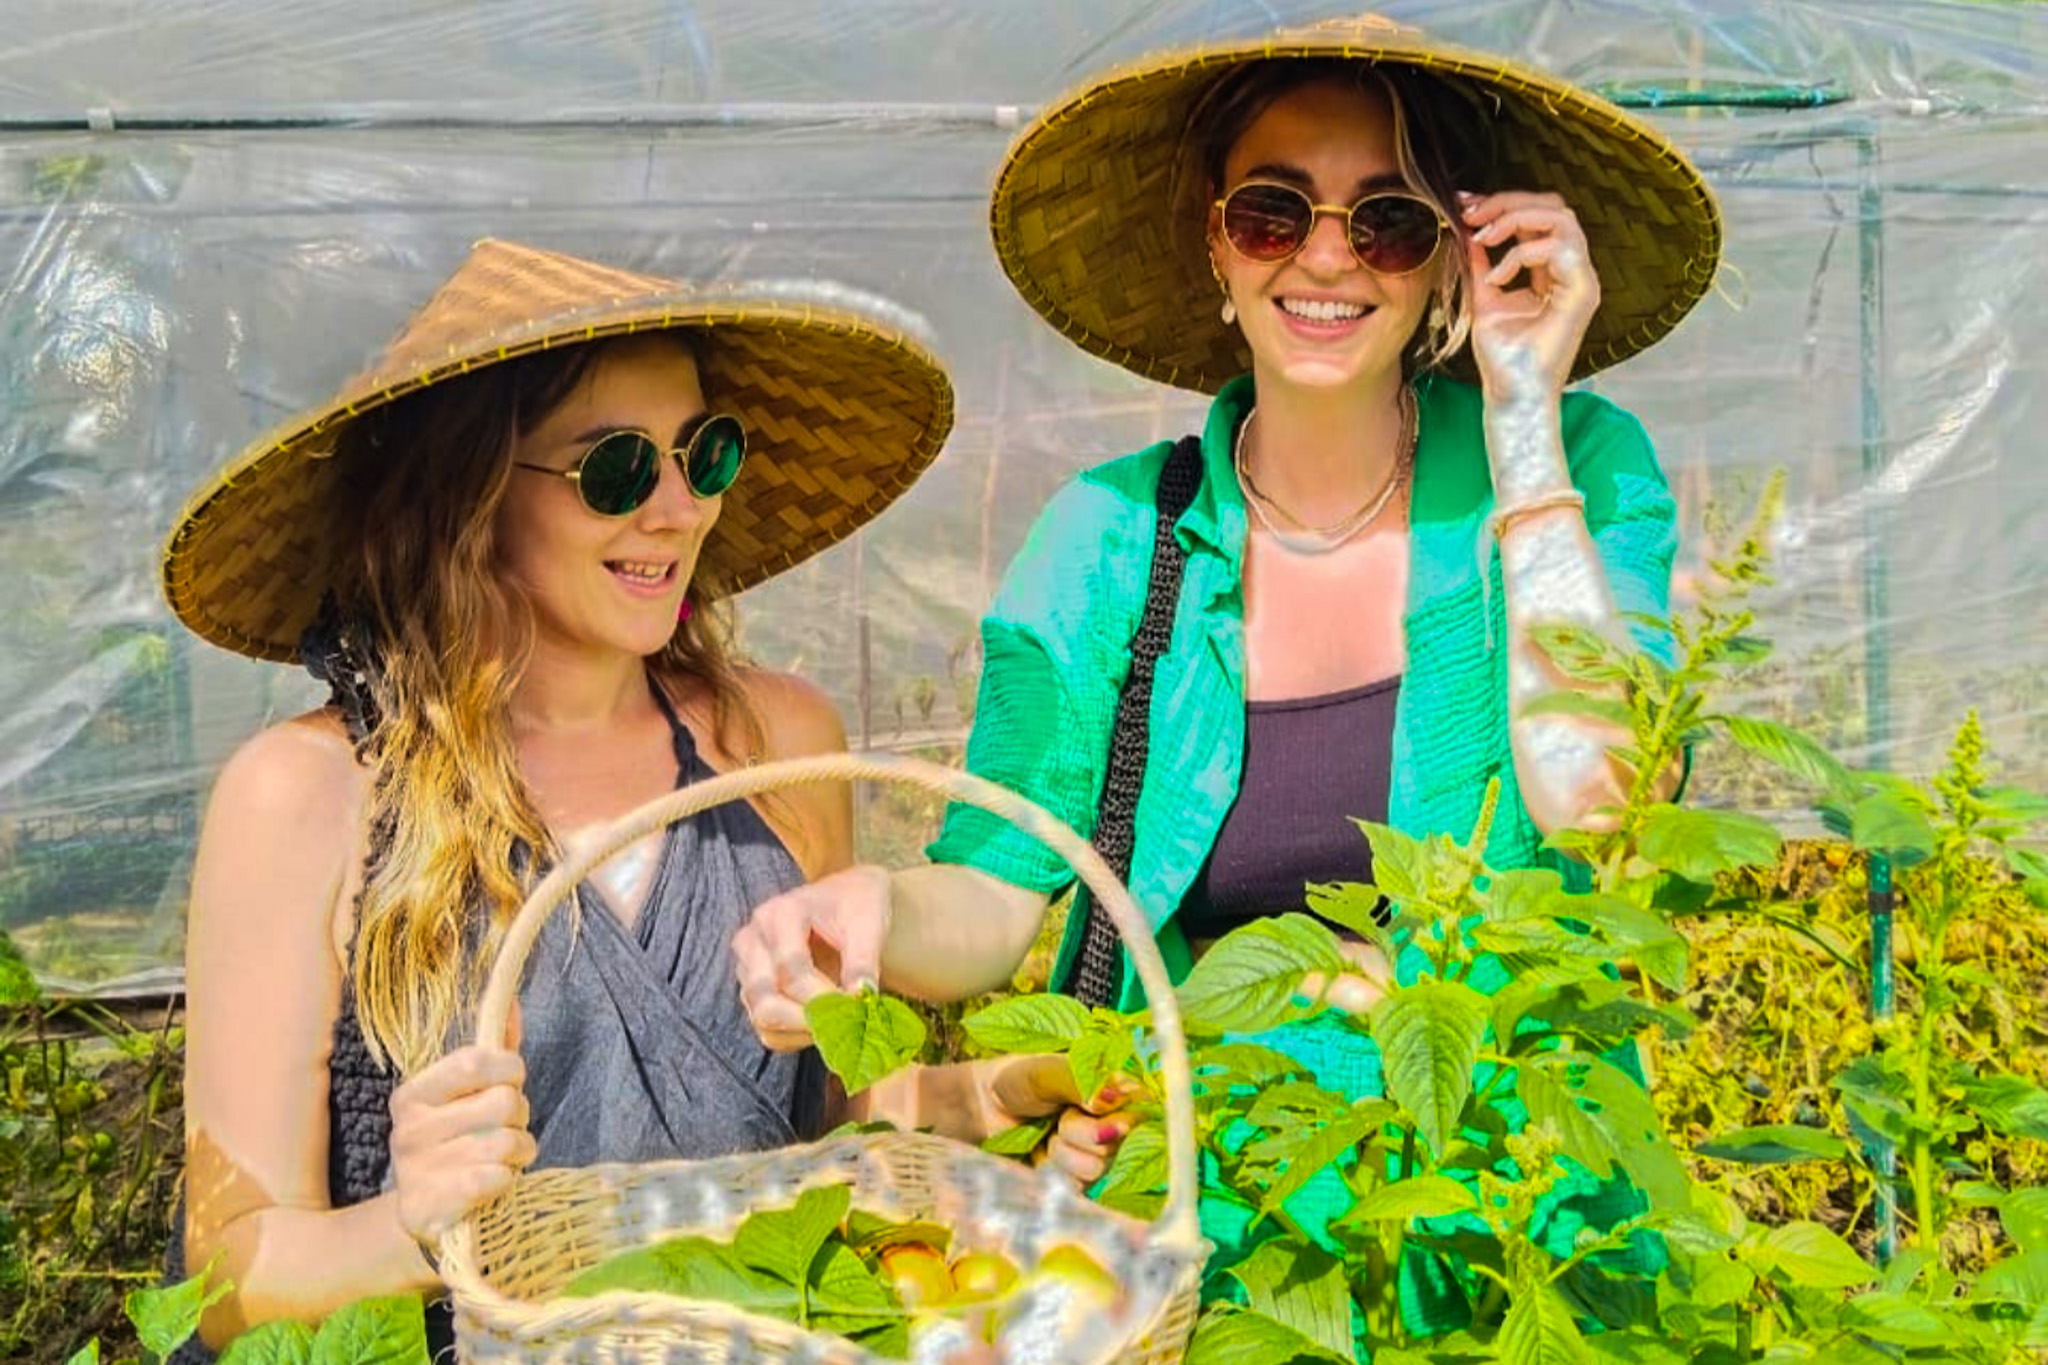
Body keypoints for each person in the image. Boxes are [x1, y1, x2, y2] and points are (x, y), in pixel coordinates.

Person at [733, 11, 1720, 1340]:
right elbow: (1005, 882)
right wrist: (868, 908)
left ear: (1449, 265)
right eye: (1275, 213)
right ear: (1217, 243)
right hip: (1223, 1231)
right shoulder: (1109, 539)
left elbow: (1597, 803)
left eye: (1387, 223)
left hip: (1516, 1203)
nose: (1326, 257)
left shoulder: (1579, 468)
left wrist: (1527, 420)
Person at [163, 240, 1112, 1358]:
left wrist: (986, 1100)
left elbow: (820, 1133)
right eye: (616, 469)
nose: (677, 508)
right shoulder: (314, 795)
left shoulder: (777, 744)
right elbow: (225, 1278)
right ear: (470, 499)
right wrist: (411, 1224)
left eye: (703, 455)